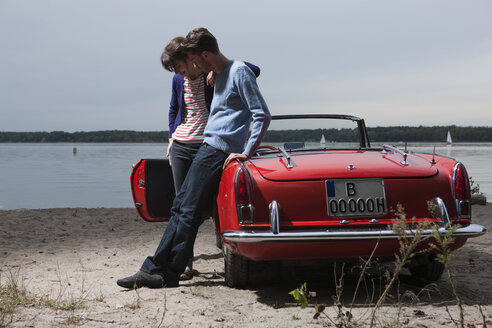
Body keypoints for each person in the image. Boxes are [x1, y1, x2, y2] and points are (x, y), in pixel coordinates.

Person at [117, 27, 271, 289]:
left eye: (195, 60)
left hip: (217, 150)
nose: (193, 67)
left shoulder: (238, 71)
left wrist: (247, 152)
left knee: (186, 211)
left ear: (205, 55)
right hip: (208, 146)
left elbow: (262, 114)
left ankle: (160, 271)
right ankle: (162, 271)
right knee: (182, 209)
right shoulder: (220, 75)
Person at [160, 37, 260, 280]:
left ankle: (223, 244)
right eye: (174, 69)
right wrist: (172, 137)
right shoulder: (177, 81)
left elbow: (254, 70)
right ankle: (185, 262)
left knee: (212, 203)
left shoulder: (211, 74)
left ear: (192, 59)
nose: (178, 71)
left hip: (209, 144)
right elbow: (174, 109)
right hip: (182, 144)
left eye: (179, 65)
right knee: (182, 206)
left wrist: (218, 69)